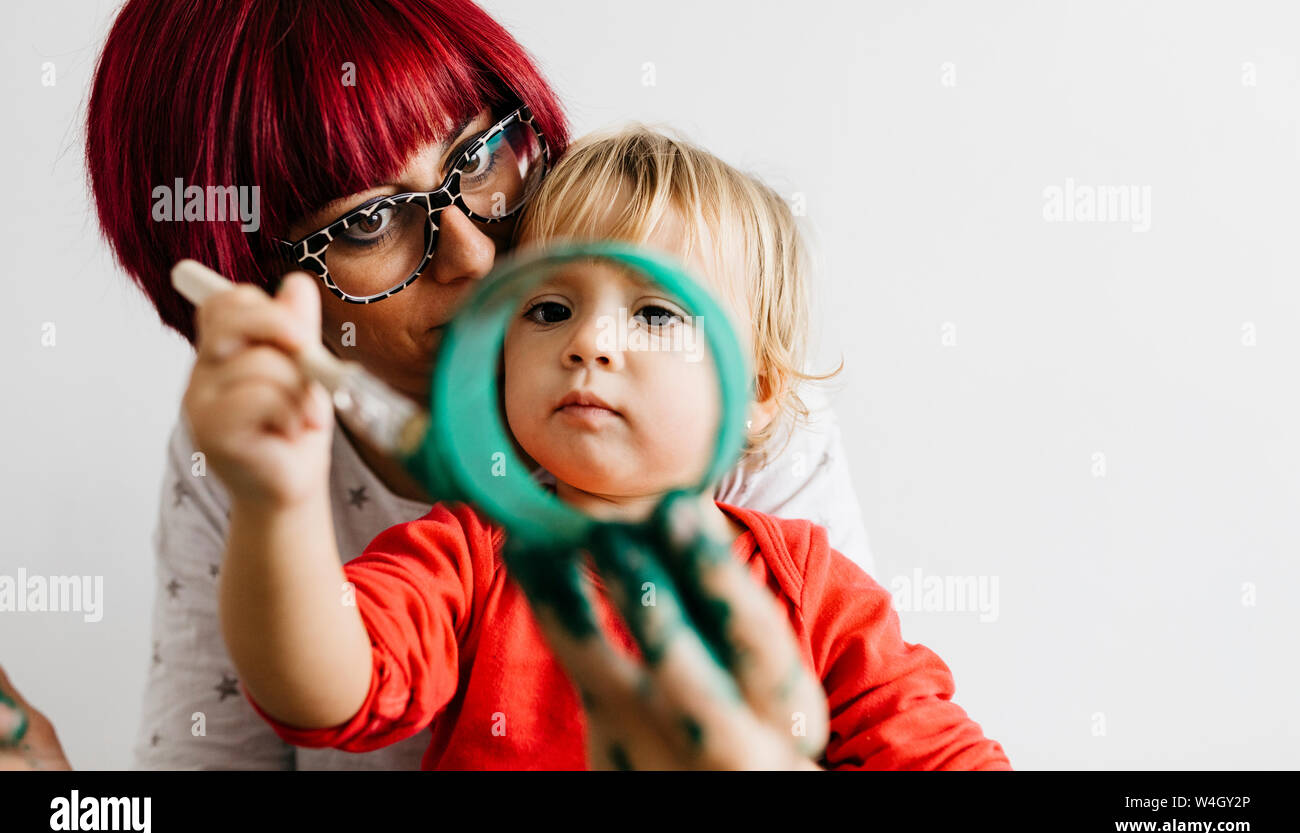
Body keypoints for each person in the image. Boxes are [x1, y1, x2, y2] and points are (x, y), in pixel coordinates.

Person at [1, 0, 871, 770]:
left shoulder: (713, 391)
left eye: (482, 152)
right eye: (371, 220)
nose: (475, 251)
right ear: (256, 293)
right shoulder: (293, 479)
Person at [202, 125, 1010, 769]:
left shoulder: (816, 595)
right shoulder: (470, 555)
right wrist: (279, 503)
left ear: (757, 391)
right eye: (549, 309)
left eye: (655, 314)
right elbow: (323, 689)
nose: (590, 343)